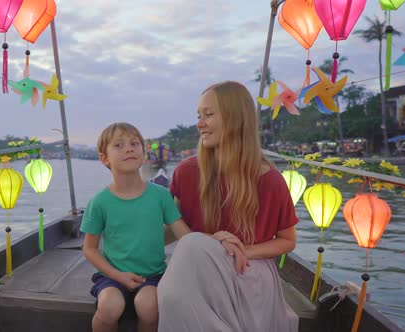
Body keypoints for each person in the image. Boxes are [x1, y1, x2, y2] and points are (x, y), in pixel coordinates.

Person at [158, 81, 299, 331]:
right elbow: (174, 228)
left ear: (235, 118)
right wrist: (132, 244)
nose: (200, 123)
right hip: (198, 270)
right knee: (184, 264)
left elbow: (287, 240)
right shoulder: (186, 172)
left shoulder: (269, 180)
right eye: (199, 116)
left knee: (190, 247)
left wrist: (241, 249)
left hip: (246, 270)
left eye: (208, 115)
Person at [81, 122, 191, 332]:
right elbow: (90, 249)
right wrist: (116, 275)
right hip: (112, 276)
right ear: (104, 158)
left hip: (153, 275)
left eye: (134, 143)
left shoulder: (160, 195)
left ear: (143, 153)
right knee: (109, 307)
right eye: (119, 145)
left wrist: (210, 244)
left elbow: (183, 234)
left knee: (149, 307)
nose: (129, 148)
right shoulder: (100, 202)